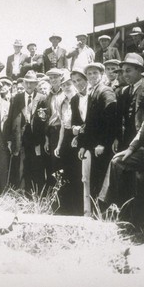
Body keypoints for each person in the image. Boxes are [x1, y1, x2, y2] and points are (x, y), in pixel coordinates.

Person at [100, 60, 144, 228]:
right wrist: (131, 148)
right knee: (117, 162)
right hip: (142, 147)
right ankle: (112, 208)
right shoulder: (137, 91)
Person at [77, 63, 117, 199]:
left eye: (95, 73)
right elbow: (89, 122)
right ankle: (95, 214)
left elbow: (111, 119)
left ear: (102, 74)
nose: (92, 76)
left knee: (102, 181)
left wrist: (103, 143)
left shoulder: (105, 91)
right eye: (89, 74)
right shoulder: (93, 91)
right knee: (94, 180)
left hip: (101, 147)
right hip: (93, 145)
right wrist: (83, 145)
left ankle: (102, 215)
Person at [4, 71, 47, 194]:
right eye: (27, 82)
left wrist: (42, 140)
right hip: (20, 137)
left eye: (32, 83)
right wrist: (9, 139)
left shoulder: (42, 98)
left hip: (35, 139)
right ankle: (20, 193)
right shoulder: (16, 98)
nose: (29, 85)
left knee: (35, 166)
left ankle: (34, 194)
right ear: (23, 83)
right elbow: (10, 118)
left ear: (36, 84)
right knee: (20, 167)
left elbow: (44, 120)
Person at [53, 73, 82, 215]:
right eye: (63, 85)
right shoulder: (60, 101)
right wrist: (59, 145)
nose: (66, 87)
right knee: (66, 172)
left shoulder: (81, 98)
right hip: (66, 137)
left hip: (78, 135)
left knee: (78, 172)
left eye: (68, 84)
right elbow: (63, 126)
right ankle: (66, 206)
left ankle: (79, 207)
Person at [114, 53, 144, 152]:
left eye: (128, 71)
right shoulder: (125, 91)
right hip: (125, 141)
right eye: (123, 71)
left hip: (141, 143)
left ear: (139, 70)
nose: (125, 74)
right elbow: (120, 118)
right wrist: (117, 138)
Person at [70, 68, 91, 216]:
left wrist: (81, 130)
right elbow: (75, 123)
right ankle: (85, 210)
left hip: (93, 141)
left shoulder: (94, 95)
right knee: (84, 177)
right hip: (82, 142)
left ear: (86, 79)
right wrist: (76, 130)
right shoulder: (74, 99)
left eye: (80, 80)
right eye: (74, 81)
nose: (78, 84)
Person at [43, 68, 65, 188]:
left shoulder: (65, 92)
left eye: (55, 77)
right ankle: (54, 191)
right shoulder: (48, 95)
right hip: (52, 132)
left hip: (63, 131)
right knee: (52, 162)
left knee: (61, 161)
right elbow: (47, 118)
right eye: (51, 78)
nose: (53, 80)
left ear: (61, 78)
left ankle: (62, 191)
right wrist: (46, 138)